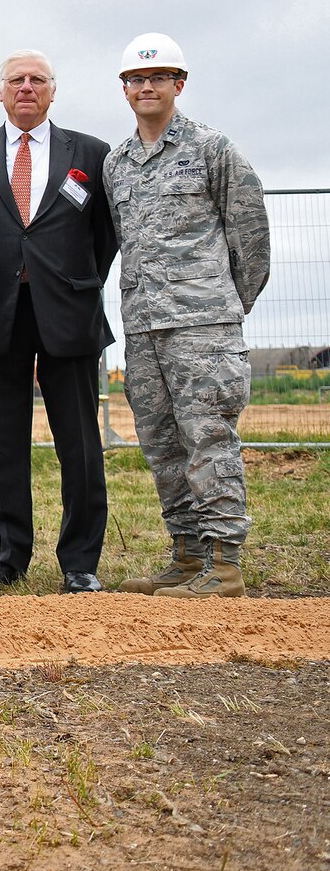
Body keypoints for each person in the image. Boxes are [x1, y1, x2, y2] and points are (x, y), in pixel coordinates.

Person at [107, 34, 270, 599]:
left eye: (159, 77)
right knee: (161, 444)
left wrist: (223, 309)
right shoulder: (117, 164)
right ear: (124, 90)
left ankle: (224, 566)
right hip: (143, 328)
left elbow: (251, 240)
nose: (147, 87)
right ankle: (187, 554)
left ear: (180, 83)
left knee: (209, 439)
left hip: (204, 328)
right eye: (136, 79)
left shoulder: (211, 149)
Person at [0, 51, 117, 593]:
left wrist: (72, 282)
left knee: (79, 439)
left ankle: (80, 561)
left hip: (68, 314)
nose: (26, 88)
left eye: (37, 81)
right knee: (3, 443)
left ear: (54, 91)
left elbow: (104, 237)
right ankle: (7, 557)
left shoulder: (92, 155)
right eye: (16, 81)